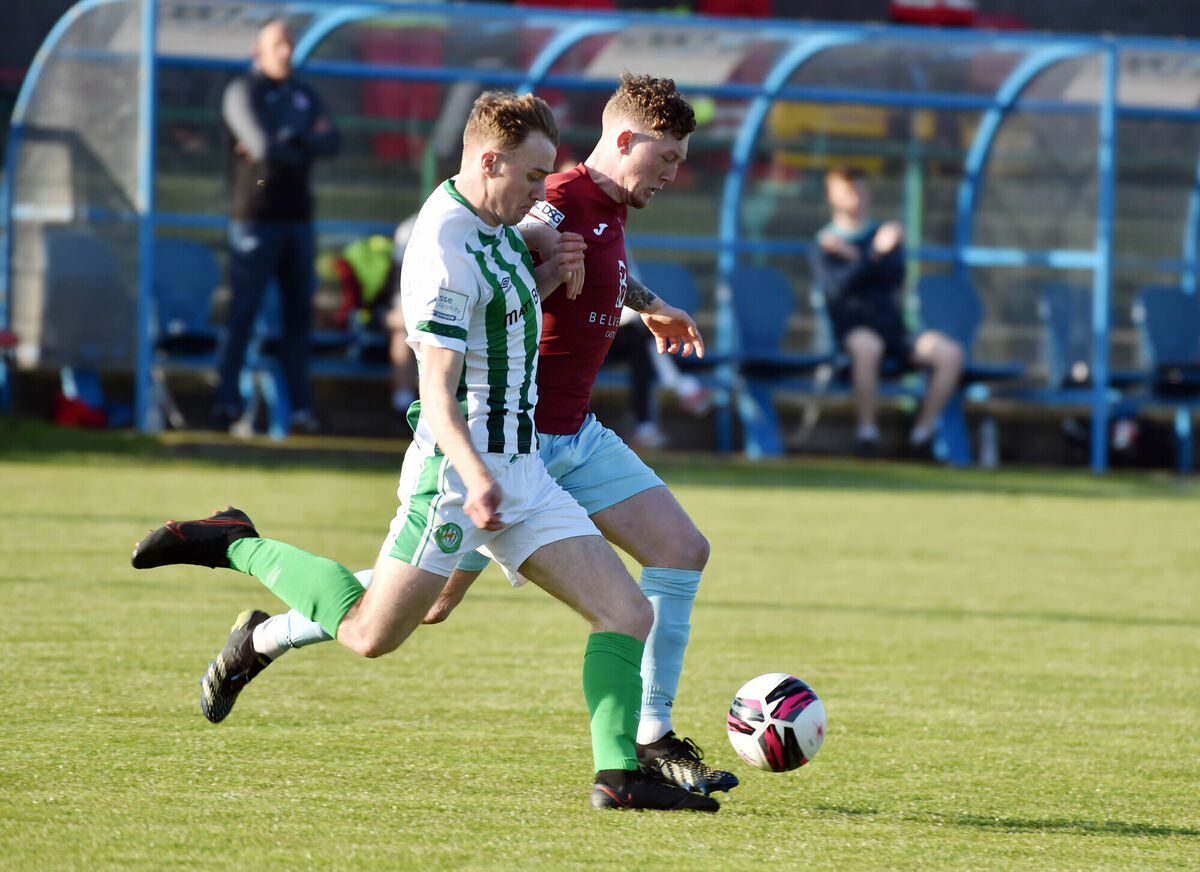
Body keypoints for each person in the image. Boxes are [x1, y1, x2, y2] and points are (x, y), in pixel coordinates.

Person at [132, 90, 717, 813]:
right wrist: (475, 476)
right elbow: (438, 390)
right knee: (375, 632)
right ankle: (237, 544)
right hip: (463, 469)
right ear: (492, 162)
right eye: (533, 177)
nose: (542, 190)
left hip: (524, 462)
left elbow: (557, 281)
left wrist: (630, 297)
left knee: (626, 610)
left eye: (545, 177)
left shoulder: (499, 219)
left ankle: (621, 772)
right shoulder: (457, 242)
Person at [211, 18, 341, 435]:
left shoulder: (303, 93)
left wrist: (287, 136)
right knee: (243, 312)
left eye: (290, 44)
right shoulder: (242, 91)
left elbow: (333, 140)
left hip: (298, 220)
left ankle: (300, 410)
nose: (286, 51)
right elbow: (265, 147)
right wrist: (300, 139)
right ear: (258, 51)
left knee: (298, 318)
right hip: (254, 218)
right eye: (277, 44)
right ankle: (225, 404)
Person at [812, 165, 963, 458]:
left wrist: (861, 256)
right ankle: (867, 435)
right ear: (832, 197)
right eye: (848, 190)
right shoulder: (825, 243)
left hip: (893, 330)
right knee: (868, 347)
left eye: (861, 188)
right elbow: (839, 286)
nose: (857, 196)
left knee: (950, 353)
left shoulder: (882, 234)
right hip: (854, 330)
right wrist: (874, 254)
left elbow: (894, 278)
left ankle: (922, 434)